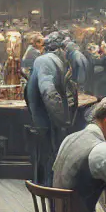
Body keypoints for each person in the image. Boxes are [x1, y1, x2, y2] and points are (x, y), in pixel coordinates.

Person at [26, 35, 76, 185]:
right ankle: (47, 188)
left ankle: (49, 185)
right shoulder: (46, 61)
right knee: (48, 156)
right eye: (65, 49)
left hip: (47, 118)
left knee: (50, 156)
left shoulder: (49, 60)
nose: (67, 53)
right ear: (60, 49)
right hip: (45, 120)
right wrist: (63, 119)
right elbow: (48, 92)